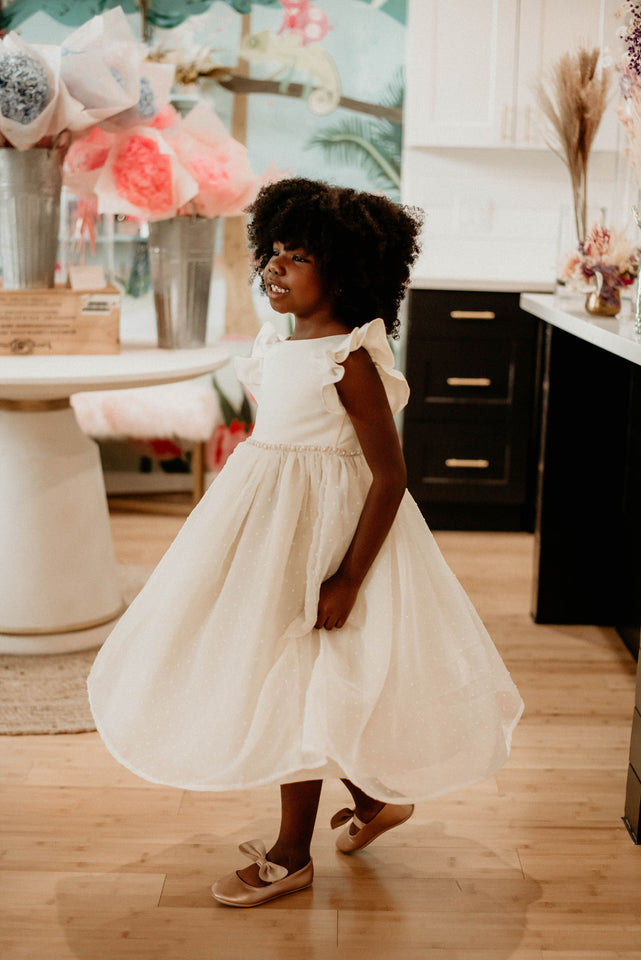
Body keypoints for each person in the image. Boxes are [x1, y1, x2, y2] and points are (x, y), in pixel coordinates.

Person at [88, 177, 523, 909]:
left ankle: (292, 855)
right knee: (291, 675)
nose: (272, 270)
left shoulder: (349, 358)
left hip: (329, 538)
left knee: (298, 684)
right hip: (270, 528)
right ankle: (372, 800)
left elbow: (388, 476)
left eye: (295, 258)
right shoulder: (283, 343)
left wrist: (349, 577)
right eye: (272, 254)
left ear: (347, 273)